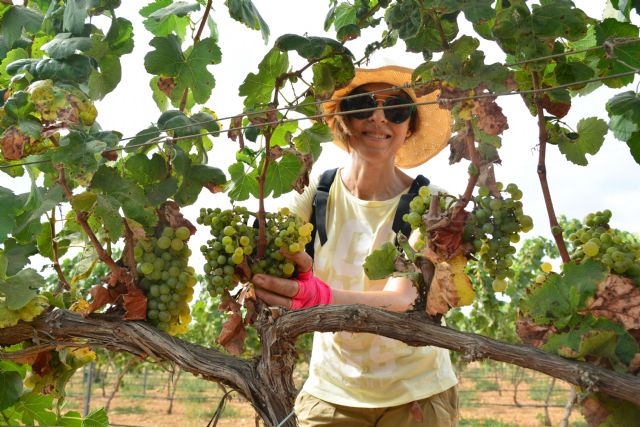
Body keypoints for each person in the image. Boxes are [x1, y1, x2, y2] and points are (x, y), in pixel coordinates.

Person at [252, 65, 459, 426]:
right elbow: (276, 244)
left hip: (417, 395)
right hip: (331, 393)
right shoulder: (315, 193)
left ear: (408, 127)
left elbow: (402, 299)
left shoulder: (433, 202)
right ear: (343, 120)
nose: (379, 118)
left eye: (395, 110)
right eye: (364, 105)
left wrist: (320, 297)